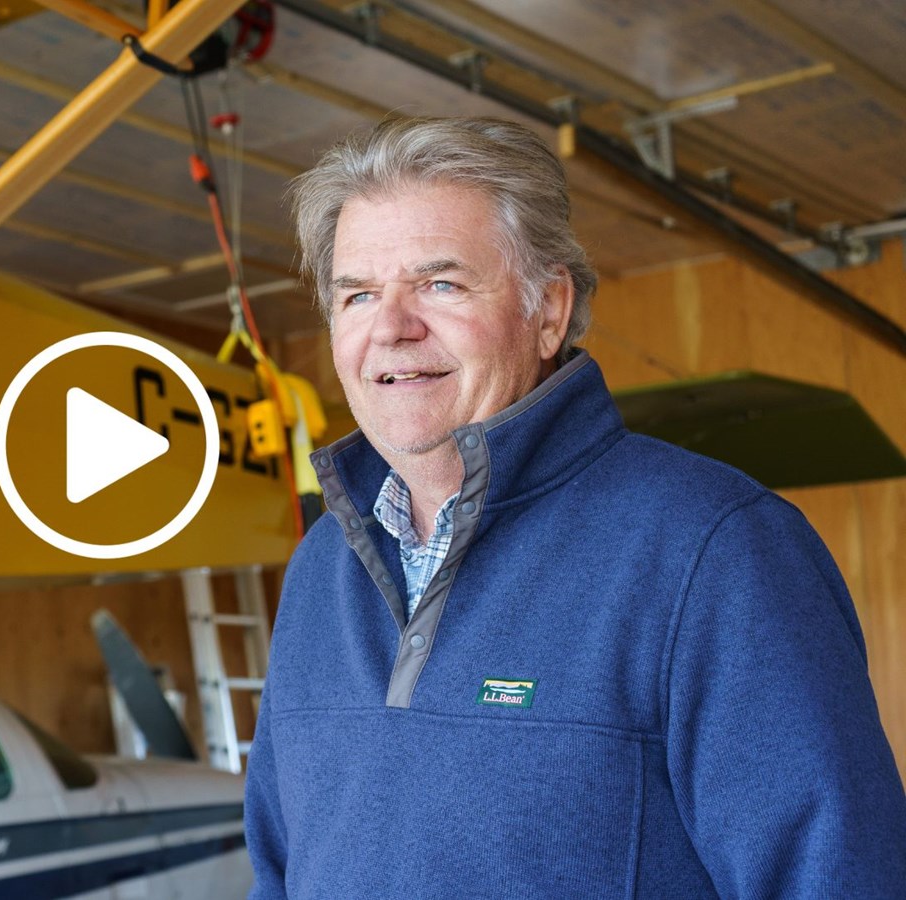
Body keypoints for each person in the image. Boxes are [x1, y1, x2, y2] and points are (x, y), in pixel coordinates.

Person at [244, 116, 906, 898]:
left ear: (550, 310)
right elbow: (278, 873)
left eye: (440, 283)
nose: (390, 327)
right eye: (357, 294)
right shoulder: (321, 567)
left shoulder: (715, 548)